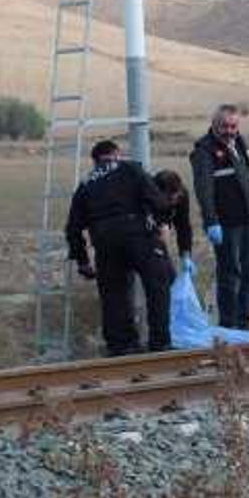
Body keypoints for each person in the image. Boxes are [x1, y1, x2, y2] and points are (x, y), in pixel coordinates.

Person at [65, 140, 178, 356]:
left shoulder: (85, 183)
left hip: (104, 242)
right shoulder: (129, 168)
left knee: (113, 296)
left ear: (95, 161)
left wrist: (82, 261)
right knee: (158, 286)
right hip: (137, 234)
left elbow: (72, 228)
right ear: (116, 154)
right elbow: (156, 199)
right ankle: (160, 343)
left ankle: (122, 347)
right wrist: (163, 223)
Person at [189, 104, 249, 330]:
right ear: (214, 125)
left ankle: (242, 321)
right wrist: (211, 221)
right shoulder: (203, 151)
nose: (229, 130)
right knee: (230, 274)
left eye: (233, 126)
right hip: (226, 223)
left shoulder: (240, 144)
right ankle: (228, 325)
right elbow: (204, 189)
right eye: (224, 125)